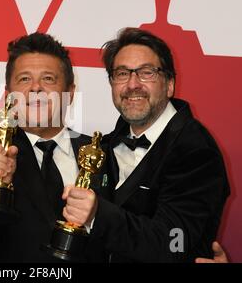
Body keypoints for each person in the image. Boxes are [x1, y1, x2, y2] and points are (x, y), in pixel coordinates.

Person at [75, 27, 229, 262]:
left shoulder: (196, 149)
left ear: (169, 84)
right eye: (122, 73)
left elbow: (174, 242)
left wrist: (98, 215)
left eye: (146, 73)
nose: (132, 84)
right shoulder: (102, 147)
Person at [0, 32, 101, 262]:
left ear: (70, 93)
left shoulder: (102, 155)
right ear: (8, 95)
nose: (35, 88)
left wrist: (95, 217)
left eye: (49, 79)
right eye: (24, 79)